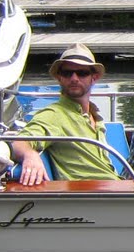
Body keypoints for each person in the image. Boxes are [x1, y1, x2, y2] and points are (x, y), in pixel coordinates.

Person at [11, 44, 120, 184]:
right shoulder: (54, 115)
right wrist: (30, 154)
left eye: (82, 73)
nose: (74, 78)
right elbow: (19, 142)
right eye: (67, 73)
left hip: (113, 186)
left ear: (94, 77)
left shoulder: (94, 116)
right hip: (90, 192)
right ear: (59, 77)